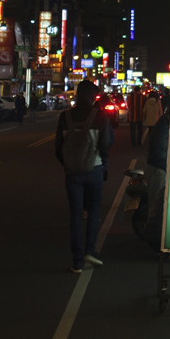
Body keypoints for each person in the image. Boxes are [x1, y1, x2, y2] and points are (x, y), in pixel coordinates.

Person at [55, 80, 113, 273]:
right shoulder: (100, 116)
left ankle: (77, 261)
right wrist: (103, 161)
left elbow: (58, 147)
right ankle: (90, 251)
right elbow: (106, 143)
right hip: (94, 169)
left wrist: (68, 162)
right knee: (94, 211)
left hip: (72, 173)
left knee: (76, 215)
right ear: (92, 96)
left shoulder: (65, 116)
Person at [145, 97, 170, 252]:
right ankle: (154, 243)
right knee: (155, 207)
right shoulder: (164, 125)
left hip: (160, 168)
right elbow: (159, 153)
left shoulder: (166, 123)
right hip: (158, 170)